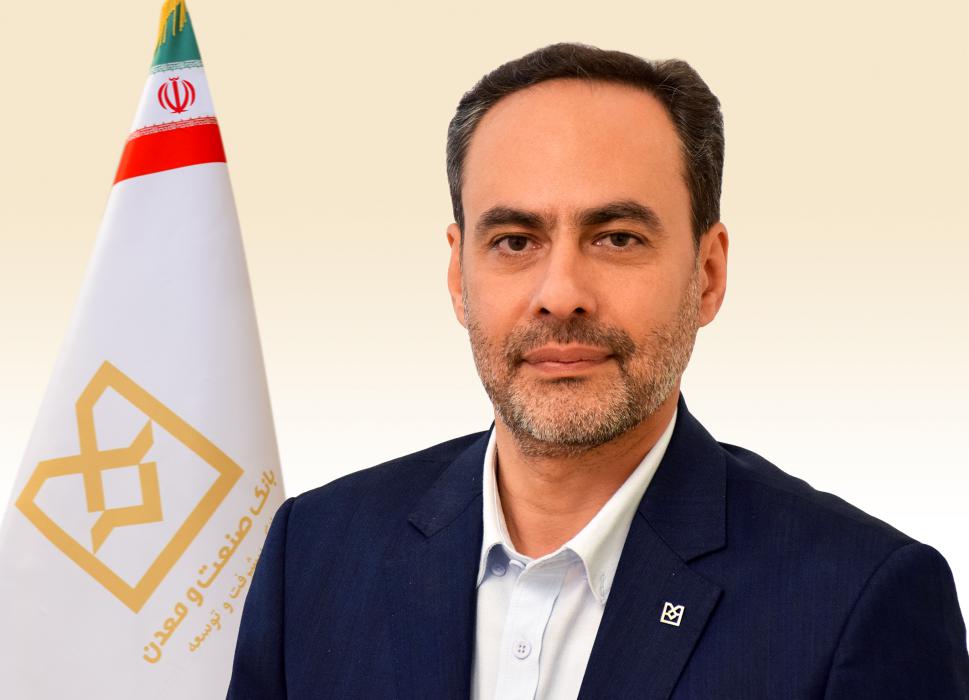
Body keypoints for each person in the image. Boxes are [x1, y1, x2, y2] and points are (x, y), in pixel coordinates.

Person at [226, 43, 969, 699]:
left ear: (707, 275)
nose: (560, 295)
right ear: (458, 275)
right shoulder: (315, 552)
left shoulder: (857, 600)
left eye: (615, 237)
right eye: (514, 241)